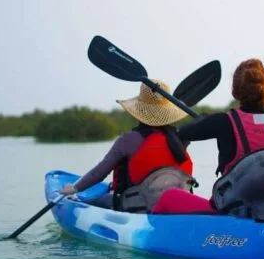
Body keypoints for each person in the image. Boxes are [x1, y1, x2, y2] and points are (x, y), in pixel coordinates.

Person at [178, 59, 264, 224]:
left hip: (234, 216)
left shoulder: (223, 121)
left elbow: (183, 133)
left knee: (170, 198)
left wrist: (203, 120)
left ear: (235, 92)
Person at [59, 80, 195, 212]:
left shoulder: (128, 139)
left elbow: (99, 173)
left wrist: (75, 188)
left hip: (134, 206)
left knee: (94, 202)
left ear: (139, 111)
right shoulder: (180, 138)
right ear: (167, 112)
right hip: (174, 203)